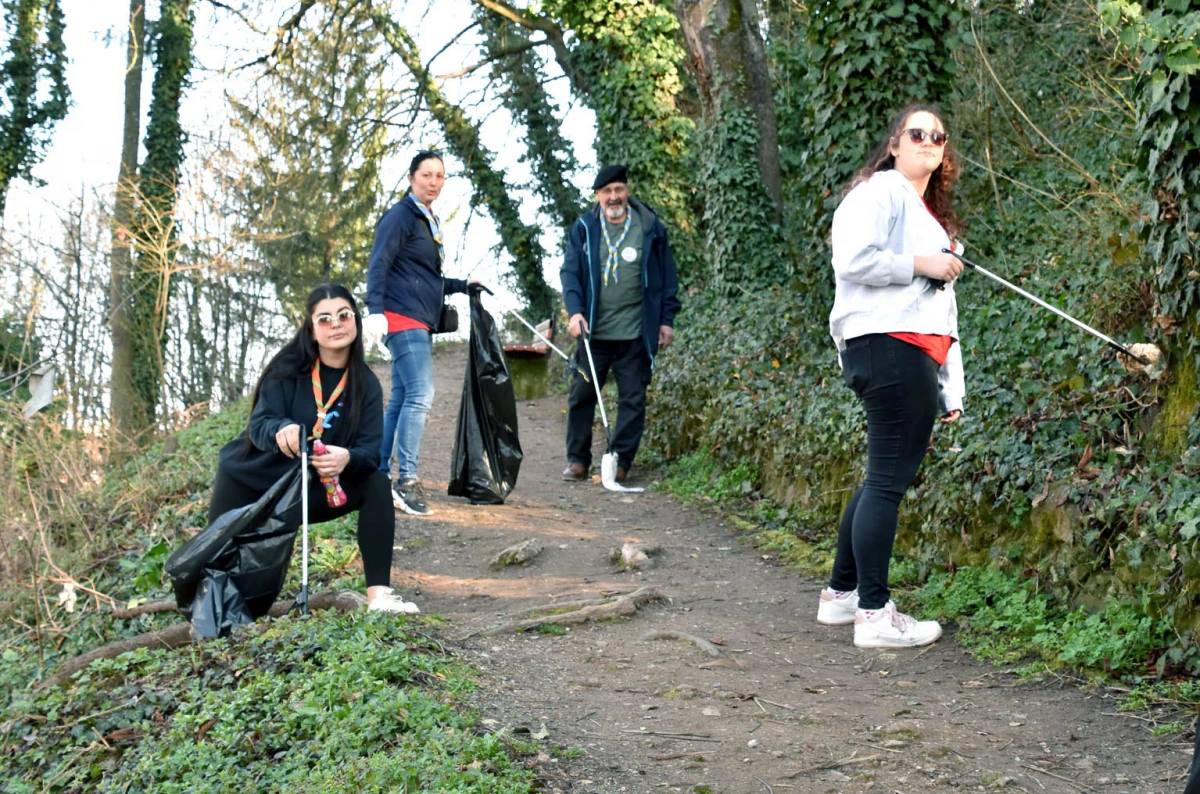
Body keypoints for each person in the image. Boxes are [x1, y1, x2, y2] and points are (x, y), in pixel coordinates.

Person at [818, 103, 966, 648]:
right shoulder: (879, 192)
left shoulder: (925, 215)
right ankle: (875, 615)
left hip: (907, 354)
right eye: (918, 132)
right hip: (889, 348)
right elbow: (853, 259)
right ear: (895, 144)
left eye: (939, 136)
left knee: (880, 475)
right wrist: (923, 263)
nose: (930, 140)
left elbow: (939, 314)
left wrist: (949, 386)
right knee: (886, 481)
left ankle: (842, 596)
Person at [209, 283, 417, 614]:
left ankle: (380, 597)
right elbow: (260, 426)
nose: (335, 324)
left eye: (343, 315)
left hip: (312, 491)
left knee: (377, 482)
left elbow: (371, 452)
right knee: (223, 580)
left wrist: (346, 458)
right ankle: (208, 611)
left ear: (356, 322)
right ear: (311, 329)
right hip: (256, 483)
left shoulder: (366, 384)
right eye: (324, 319)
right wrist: (282, 429)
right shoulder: (287, 369)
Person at [363, 151, 480, 516]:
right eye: (427, 174)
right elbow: (379, 262)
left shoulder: (427, 219)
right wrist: (374, 312)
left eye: (440, 176)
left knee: (401, 398)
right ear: (411, 177)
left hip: (416, 318)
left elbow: (424, 277)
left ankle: (379, 475)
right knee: (421, 394)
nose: (434, 182)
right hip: (401, 318)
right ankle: (407, 480)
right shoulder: (401, 217)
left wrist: (463, 285)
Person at [560, 164, 681, 483]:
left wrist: (665, 320)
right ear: (598, 196)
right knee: (582, 396)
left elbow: (668, 275)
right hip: (593, 333)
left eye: (619, 190)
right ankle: (578, 460)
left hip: (635, 333)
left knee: (633, 399)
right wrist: (575, 312)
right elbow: (570, 273)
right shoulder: (584, 228)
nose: (614, 197)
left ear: (627, 191)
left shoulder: (650, 226)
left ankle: (620, 460)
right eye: (607, 192)